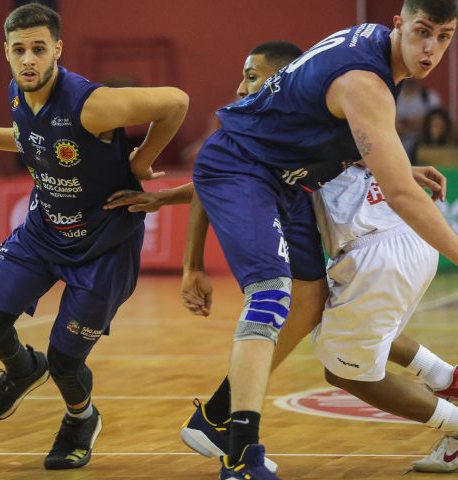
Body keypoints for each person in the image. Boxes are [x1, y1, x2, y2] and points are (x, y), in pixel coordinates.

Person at [106, 39, 458, 474]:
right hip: (391, 247)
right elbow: (226, 180)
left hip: (379, 250)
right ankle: (445, 377)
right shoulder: (322, 123)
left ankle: (236, 442)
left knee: (341, 367)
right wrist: (167, 205)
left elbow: (223, 175)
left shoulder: (315, 113)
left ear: (286, 80)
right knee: (319, 311)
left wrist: (190, 258)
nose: (241, 88)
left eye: (252, 77)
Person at [0, 3, 188, 470]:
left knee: (66, 362)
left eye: (39, 49)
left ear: (58, 50)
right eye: (19, 50)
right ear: (6, 52)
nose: (28, 59)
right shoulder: (18, 91)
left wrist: (143, 159)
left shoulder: (92, 105)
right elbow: (32, 137)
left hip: (104, 246)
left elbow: (176, 102)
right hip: (44, 232)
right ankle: (23, 369)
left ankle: (80, 420)